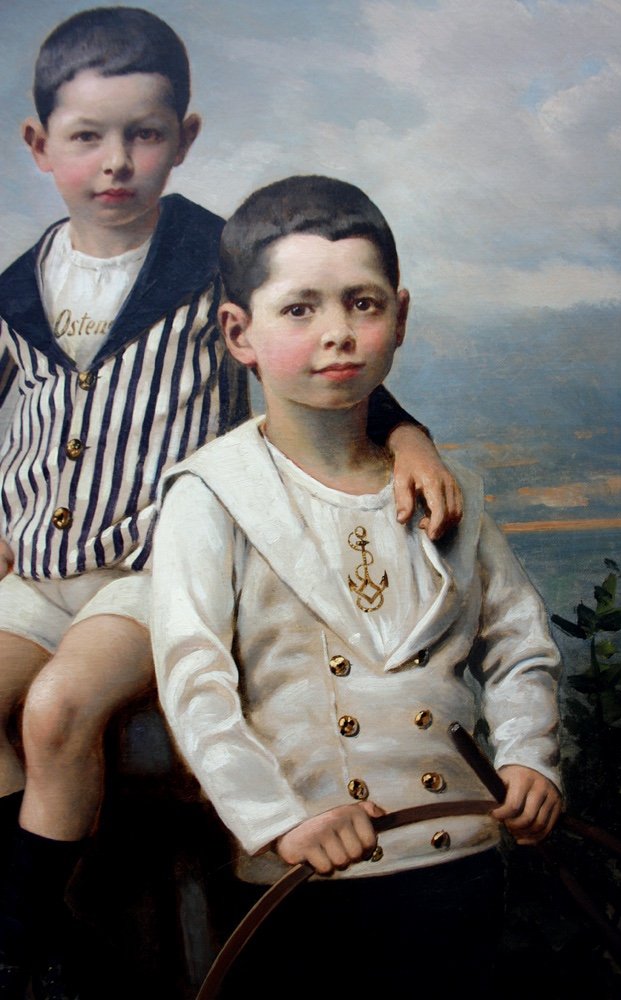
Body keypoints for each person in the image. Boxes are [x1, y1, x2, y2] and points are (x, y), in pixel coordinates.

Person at [0, 10, 461, 999]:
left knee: (57, 708)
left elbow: (323, 366)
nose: (116, 161)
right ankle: (57, 930)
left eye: (144, 134)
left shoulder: (219, 259)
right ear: (41, 146)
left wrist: (410, 434)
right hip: (38, 567)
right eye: (87, 136)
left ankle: (20, 948)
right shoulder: (17, 288)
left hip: (158, 568)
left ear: (184, 137)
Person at [151, 174, 563, 995]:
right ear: (239, 331)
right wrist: (283, 821)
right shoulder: (210, 493)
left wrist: (531, 760)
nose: (338, 333)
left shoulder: (459, 489)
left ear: (399, 317)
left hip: (460, 860)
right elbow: (195, 685)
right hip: (305, 880)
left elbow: (520, 648)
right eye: (300, 309)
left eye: (363, 304)